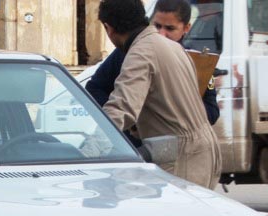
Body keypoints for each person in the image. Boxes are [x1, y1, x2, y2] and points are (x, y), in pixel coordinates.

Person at [96, 0, 221, 189]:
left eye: (170, 27)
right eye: (159, 25)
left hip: (182, 156)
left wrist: (90, 151)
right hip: (200, 152)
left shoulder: (141, 53)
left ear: (108, 28)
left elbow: (121, 108)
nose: (164, 31)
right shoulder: (171, 47)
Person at [88, 0, 219, 125]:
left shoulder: (196, 60)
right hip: (137, 144)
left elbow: (212, 112)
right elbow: (96, 89)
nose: (161, 33)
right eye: (157, 26)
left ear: (186, 28)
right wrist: (131, 123)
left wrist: (174, 114)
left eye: (170, 28)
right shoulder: (130, 52)